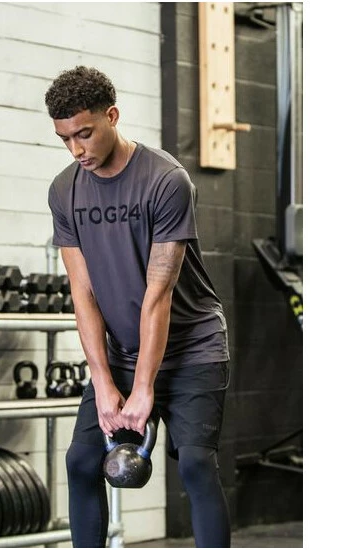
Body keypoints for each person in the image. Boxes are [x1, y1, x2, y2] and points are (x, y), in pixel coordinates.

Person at [45, 66, 231, 548]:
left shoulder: (166, 180)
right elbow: (83, 293)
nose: (76, 149)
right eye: (65, 139)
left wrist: (144, 387)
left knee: (195, 463)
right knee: (81, 461)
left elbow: (158, 292)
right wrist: (104, 383)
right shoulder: (64, 191)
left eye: (85, 133)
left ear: (112, 116)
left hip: (192, 349)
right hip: (124, 351)